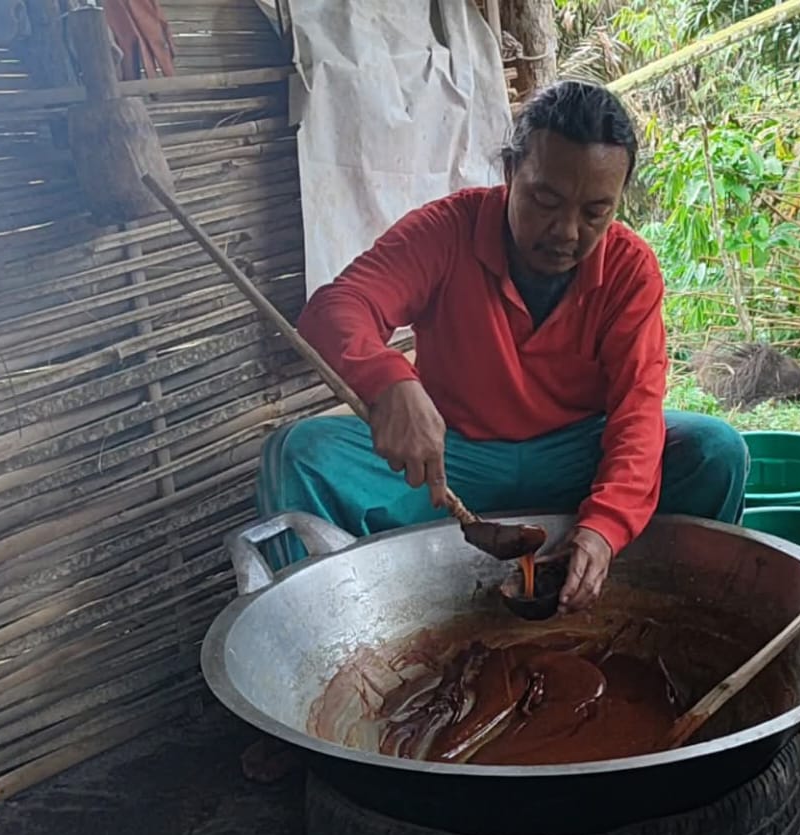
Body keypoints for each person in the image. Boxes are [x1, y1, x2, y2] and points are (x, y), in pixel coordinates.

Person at [255, 80, 750, 615]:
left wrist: (606, 527)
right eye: (546, 201)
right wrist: (388, 380)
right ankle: (323, 629)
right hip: (452, 458)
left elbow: (637, 413)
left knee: (715, 452)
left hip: (578, 457)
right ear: (511, 173)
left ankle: (666, 610)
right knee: (300, 455)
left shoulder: (630, 270)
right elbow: (335, 308)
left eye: (594, 213)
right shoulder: (447, 231)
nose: (566, 232)